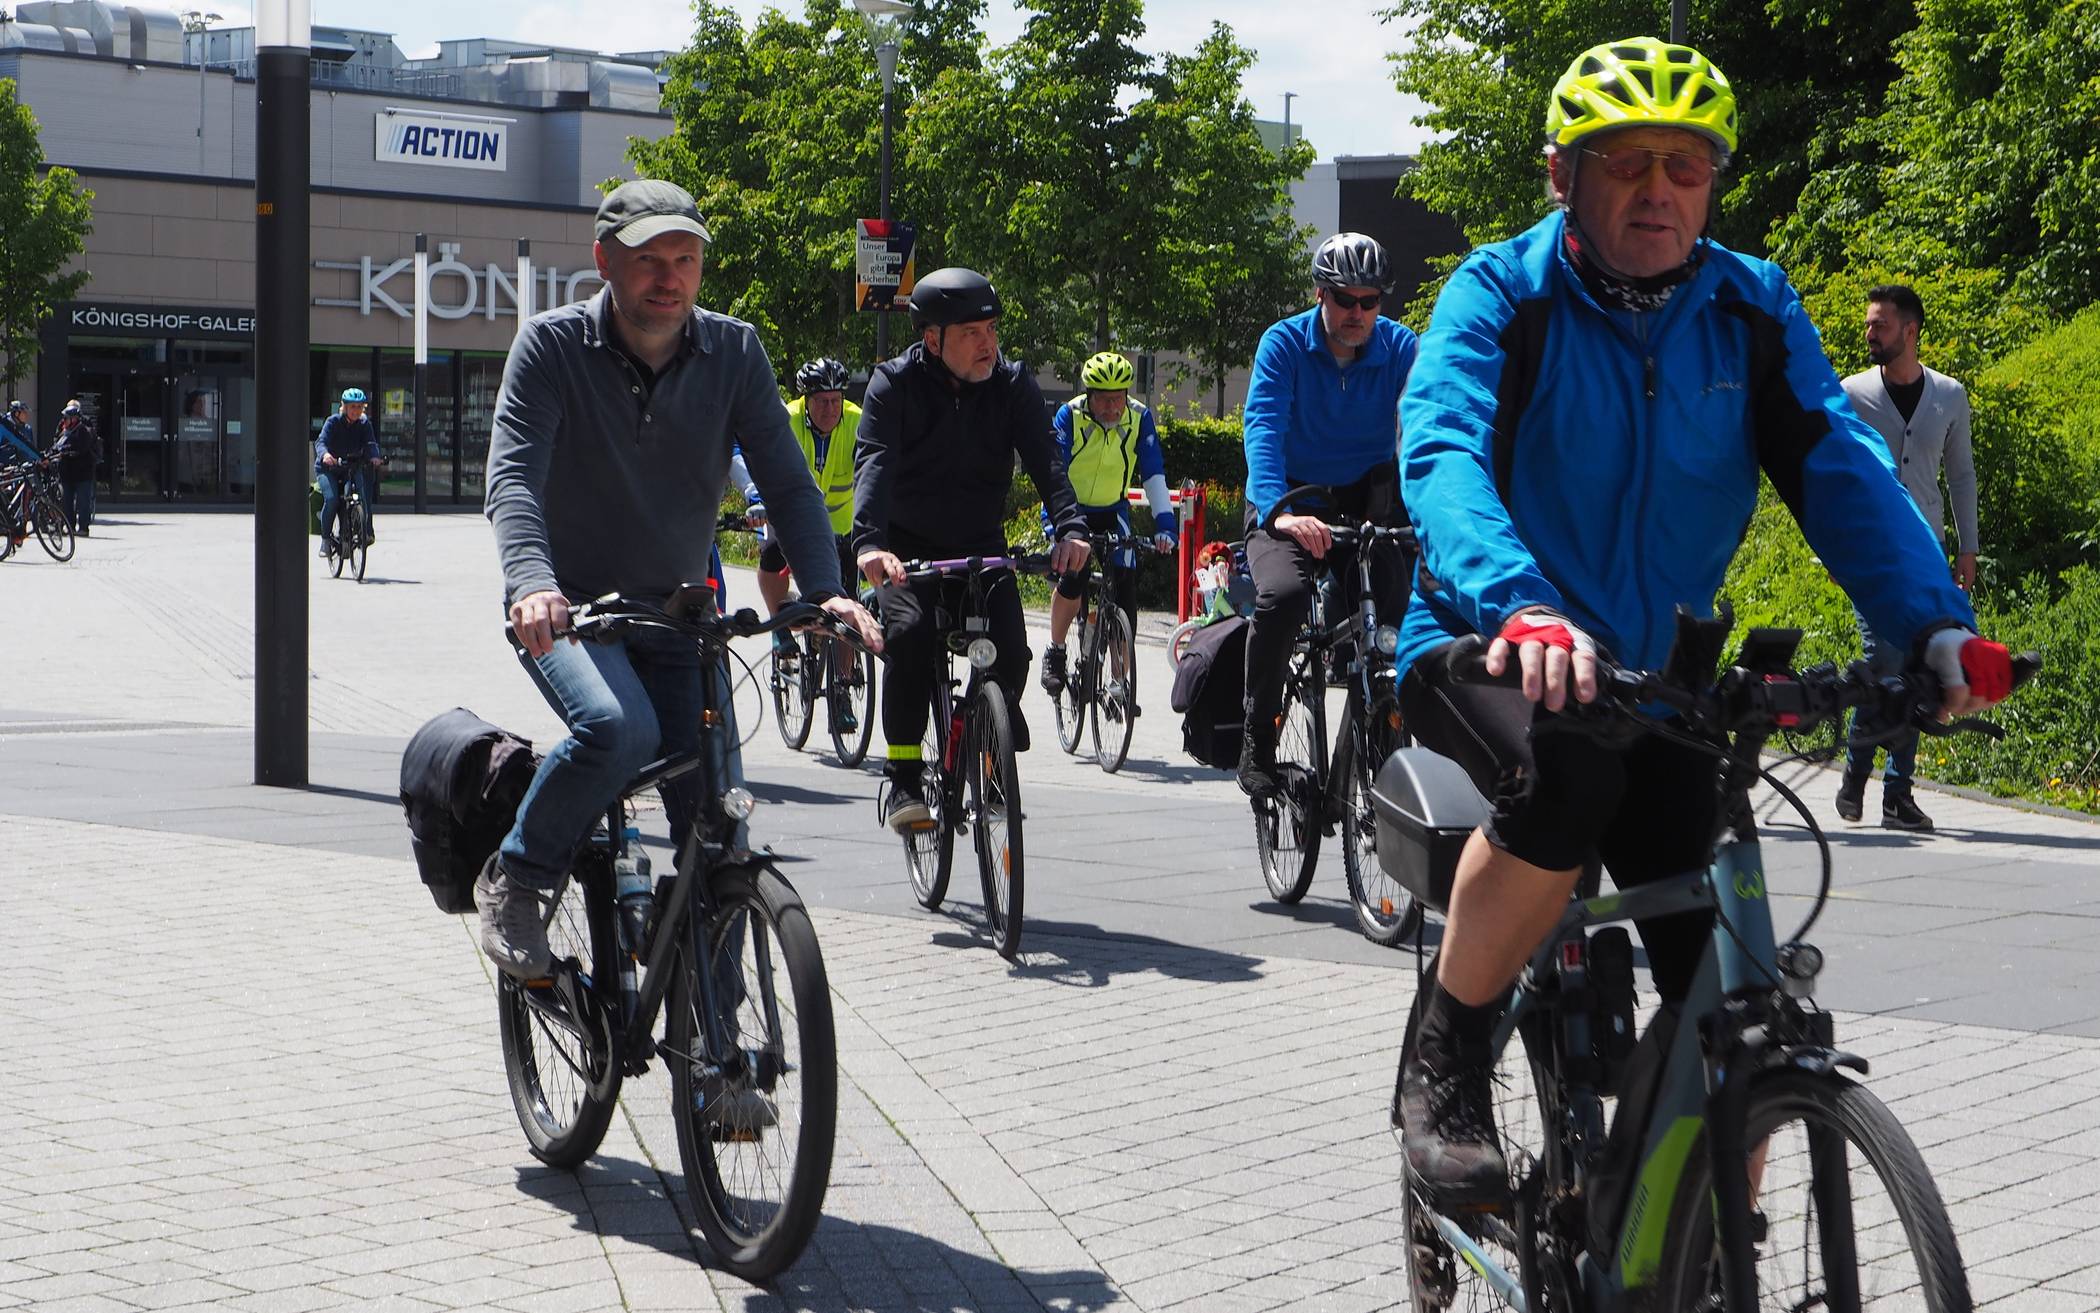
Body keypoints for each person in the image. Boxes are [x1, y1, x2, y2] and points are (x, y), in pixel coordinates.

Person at [1389, 36, 2016, 1207]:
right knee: (1567, 785)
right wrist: (1518, 602)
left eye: (1687, 166)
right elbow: (1442, 453)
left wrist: (1934, 624)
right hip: (1480, 640)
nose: (1659, 191)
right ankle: (1450, 1052)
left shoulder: (1749, 306)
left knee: (1733, 1009)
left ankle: (1699, 1240)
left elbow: (1837, 463)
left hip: (1650, 673)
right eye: (1626, 163)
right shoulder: (1499, 293)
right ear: (1561, 176)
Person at [479, 177, 881, 982]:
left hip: (679, 615)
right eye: (649, 259)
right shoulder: (552, 347)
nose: (670, 276)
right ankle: (517, 877)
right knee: (615, 726)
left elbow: (790, 481)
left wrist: (826, 587)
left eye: (686, 259)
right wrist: (532, 580)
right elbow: (514, 477)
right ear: (604, 261)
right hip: (571, 610)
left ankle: (719, 1054)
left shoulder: (733, 351)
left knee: (719, 822)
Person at [852, 266, 1090, 832]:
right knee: (908, 638)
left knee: (1011, 647)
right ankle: (905, 778)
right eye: (971, 333)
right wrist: (870, 545)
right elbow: (875, 463)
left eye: (992, 330)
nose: (989, 344)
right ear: (932, 339)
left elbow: (1046, 462)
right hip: (908, 553)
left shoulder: (1011, 385)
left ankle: (987, 739)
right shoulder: (894, 384)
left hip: (981, 548)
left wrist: (1071, 528)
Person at [1236, 232, 1420, 799]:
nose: (1357, 313)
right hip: (1289, 500)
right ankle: (1256, 741)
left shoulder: (1401, 348)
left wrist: (1434, 512)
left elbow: (1422, 432)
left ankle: (1371, 727)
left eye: (1370, 301)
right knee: (1285, 597)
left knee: (1393, 621)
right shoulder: (1284, 343)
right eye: (1346, 299)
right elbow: (1264, 426)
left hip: (1366, 501)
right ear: (1320, 293)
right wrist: (1277, 512)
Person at [1834, 284, 1979, 832]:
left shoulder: (1949, 395)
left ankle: (1896, 793)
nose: (1869, 333)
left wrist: (1968, 547)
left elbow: (1961, 475)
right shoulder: (1850, 394)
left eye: (1880, 325)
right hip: (1871, 553)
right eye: (1869, 325)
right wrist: (1835, 543)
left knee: (1920, 668)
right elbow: (1833, 475)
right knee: (1885, 664)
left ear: (1911, 331)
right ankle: (1856, 773)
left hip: (1926, 555)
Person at [1038, 351, 1176, 700]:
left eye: (1120, 399)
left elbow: (1153, 471)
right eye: (1105, 400)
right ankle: (1055, 650)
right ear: (1090, 395)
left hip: (1113, 510)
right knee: (1075, 577)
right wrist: (1056, 526)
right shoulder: (1069, 415)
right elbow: (1053, 472)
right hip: (1070, 511)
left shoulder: (1139, 418)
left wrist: (1165, 525)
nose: (1114, 408)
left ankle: (1118, 683)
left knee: (1125, 586)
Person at [739, 357, 863, 638]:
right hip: (790, 519)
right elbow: (765, 463)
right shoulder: (787, 419)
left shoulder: (858, 421)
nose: (830, 409)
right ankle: (780, 631)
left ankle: (846, 677)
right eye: (821, 401)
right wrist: (757, 500)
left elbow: (870, 471)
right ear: (806, 401)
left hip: (841, 525)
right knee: (772, 554)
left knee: (848, 610)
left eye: (836, 400)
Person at [314, 388, 381, 557]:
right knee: (332, 499)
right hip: (329, 468)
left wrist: (374, 457)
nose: (356, 411)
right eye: (353, 407)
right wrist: (326, 455)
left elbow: (370, 444)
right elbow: (321, 442)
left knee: (362, 497)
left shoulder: (364, 424)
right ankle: (326, 540)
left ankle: (361, 532)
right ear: (344, 407)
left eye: (360, 407)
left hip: (351, 467)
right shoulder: (333, 422)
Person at [48, 400, 100, 537]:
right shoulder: (64, 431)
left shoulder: (83, 430)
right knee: (66, 501)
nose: (63, 421)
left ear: (74, 418)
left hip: (82, 473)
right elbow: (56, 446)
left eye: (66, 418)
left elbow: (81, 448)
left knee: (83, 502)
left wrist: (66, 452)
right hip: (66, 472)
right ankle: (69, 526)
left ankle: (83, 528)